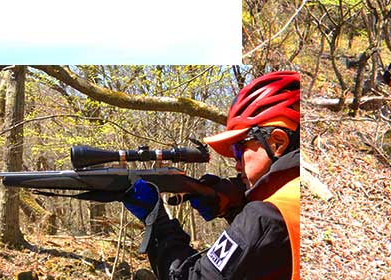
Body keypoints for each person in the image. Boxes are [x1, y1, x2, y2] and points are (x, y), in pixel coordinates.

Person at [124, 70, 303, 280]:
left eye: (239, 149)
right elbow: (265, 255)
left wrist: (157, 222)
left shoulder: (265, 216)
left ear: (277, 142)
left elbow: (192, 277)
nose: (237, 165)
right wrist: (230, 207)